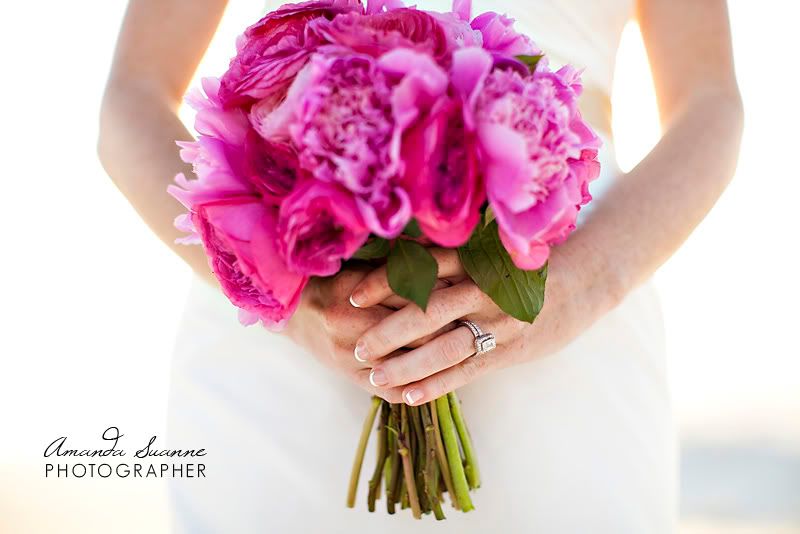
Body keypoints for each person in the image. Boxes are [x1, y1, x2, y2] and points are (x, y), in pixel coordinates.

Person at [98, 0, 743, 531]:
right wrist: (291, 307)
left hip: (569, 330)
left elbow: (710, 101)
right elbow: (133, 94)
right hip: (280, 360)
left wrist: (570, 293)